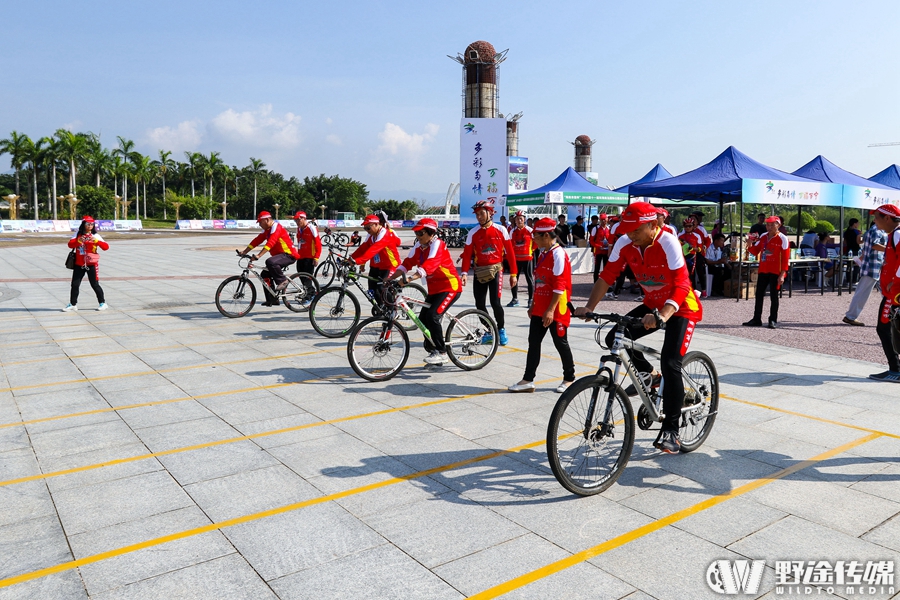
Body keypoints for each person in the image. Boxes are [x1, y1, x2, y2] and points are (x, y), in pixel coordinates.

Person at [575, 201, 703, 454]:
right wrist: (589, 307)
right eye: (627, 229)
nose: (630, 234)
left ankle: (671, 431)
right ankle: (649, 375)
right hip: (651, 304)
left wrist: (665, 313)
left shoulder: (668, 242)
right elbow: (607, 276)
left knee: (671, 363)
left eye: (635, 230)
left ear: (653, 225)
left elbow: (682, 283)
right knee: (616, 337)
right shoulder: (624, 243)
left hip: (681, 307)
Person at [509, 218, 575, 394]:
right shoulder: (543, 252)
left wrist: (550, 310)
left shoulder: (558, 254)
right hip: (540, 307)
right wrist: (533, 305)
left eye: (536, 236)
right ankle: (527, 380)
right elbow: (539, 283)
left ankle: (569, 378)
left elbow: (560, 285)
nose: (534, 239)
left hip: (556, 308)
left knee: (560, 342)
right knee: (534, 342)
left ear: (547, 235)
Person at [389, 218, 460, 366]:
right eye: (416, 233)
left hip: (450, 287)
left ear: (431, 232)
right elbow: (406, 264)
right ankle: (433, 351)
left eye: (420, 233)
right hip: (434, 289)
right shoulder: (419, 246)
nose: (418, 236)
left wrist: (410, 278)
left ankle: (442, 352)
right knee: (423, 319)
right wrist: (388, 279)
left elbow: (431, 264)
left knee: (433, 316)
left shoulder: (437, 244)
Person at [460, 199, 518, 346]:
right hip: (479, 271)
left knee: (495, 302)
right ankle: (489, 331)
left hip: (496, 270)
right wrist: (465, 273)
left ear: (490, 213)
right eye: (477, 214)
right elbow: (467, 255)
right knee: (479, 304)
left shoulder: (501, 230)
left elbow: (510, 254)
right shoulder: (473, 233)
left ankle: (501, 329)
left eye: (481, 213)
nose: (479, 217)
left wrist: (513, 275)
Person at [240, 211, 300, 307]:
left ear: (267, 220)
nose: (260, 225)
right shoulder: (267, 229)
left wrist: (259, 255)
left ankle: (282, 281)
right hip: (279, 257)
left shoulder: (276, 227)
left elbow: (271, 242)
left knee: (270, 262)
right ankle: (272, 299)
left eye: (260, 222)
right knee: (265, 274)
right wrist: (245, 252)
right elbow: (257, 240)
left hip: (289, 254)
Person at [870, 203, 900, 382]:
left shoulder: (897, 234)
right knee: (891, 327)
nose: (875, 221)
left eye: (877, 217)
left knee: (885, 327)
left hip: (895, 292)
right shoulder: (893, 235)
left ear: (887, 218)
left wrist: (895, 281)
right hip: (893, 291)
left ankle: (895, 370)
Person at [743, 216, 789, 329]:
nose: (769, 227)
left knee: (774, 296)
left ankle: (773, 320)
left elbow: (785, 259)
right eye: (767, 225)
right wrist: (749, 244)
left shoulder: (783, 239)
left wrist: (782, 274)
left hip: (776, 271)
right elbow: (755, 251)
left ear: (778, 225)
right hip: (763, 269)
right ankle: (756, 318)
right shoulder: (763, 237)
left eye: (772, 225)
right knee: (759, 294)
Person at [843, 216, 888, 326]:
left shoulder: (872, 230)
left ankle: (891, 316)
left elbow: (866, 248)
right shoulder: (877, 230)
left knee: (885, 293)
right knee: (864, 293)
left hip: (874, 266)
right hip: (873, 266)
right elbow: (874, 245)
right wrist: (890, 248)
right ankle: (850, 316)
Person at [349, 213, 402, 306]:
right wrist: (350, 259)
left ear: (377, 225)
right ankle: (382, 308)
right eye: (365, 228)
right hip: (378, 266)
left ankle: (393, 310)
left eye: (368, 228)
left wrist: (358, 261)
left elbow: (373, 250)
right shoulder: (371, 235)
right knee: (372, 290)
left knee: (382, 288)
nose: (367, 231)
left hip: (390, 265)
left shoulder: (384, 233)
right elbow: (363, 248)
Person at [63, 216, 109, 312]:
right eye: (88, 224)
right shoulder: (78, 234)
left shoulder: (95, 235)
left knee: (94, 284)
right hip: (79, 264)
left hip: (91, 264)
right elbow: (70, 245)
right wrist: (78, 241)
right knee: (75, 284)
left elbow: (106, 247)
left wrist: (97, 242)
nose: (90, 226)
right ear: (83, 224)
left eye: (92, 224)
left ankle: (103, 303)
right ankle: (72, 304)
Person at [508, 210, 534, 308]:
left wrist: (530, 251)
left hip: (527, 258)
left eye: (521, 219)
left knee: (529, 279)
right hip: (516, 259)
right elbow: (510, 245)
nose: (519, 221)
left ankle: (530, 300)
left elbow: (535, 243)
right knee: (513, 279)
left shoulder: (530, 230)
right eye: (517, 219)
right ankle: (514, 299)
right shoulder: (512, 231)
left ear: (524, 219)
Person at [293, 210, 321, 300]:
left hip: (309, 257)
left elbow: (318, 243)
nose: (297, 222)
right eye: (296, 221)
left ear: (304, 218)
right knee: (301, 275)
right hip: (301, 256)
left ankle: (310, 295)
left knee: (307, 277)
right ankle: (310, 291)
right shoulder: (299, 228)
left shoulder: (312, 228)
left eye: (298, 220)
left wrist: (316, 257)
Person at [679, 217, 707, 298]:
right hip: (684, 256)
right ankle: (689, 291)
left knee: (699, 272)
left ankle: (704, 290)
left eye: (690, 226)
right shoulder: (680, 235)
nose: (688, 228)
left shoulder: (697, 236)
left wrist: (692, 248)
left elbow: (700, 249)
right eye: (686, 226)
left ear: (693, 226)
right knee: (687, 275)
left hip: (695, 255)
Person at [589, 213, 611, 282]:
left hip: (606, 251)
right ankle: (595, 282)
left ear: (607, 220)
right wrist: (598, 246)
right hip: (598, 251)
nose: (603, 221)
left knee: (606, 267)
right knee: (597, 268)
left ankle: (604, 282)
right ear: (600, 220)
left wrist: (608, 244)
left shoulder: (609, 228)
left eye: (605, 220)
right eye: (602, 220)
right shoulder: (595, 228)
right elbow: (591, 241)